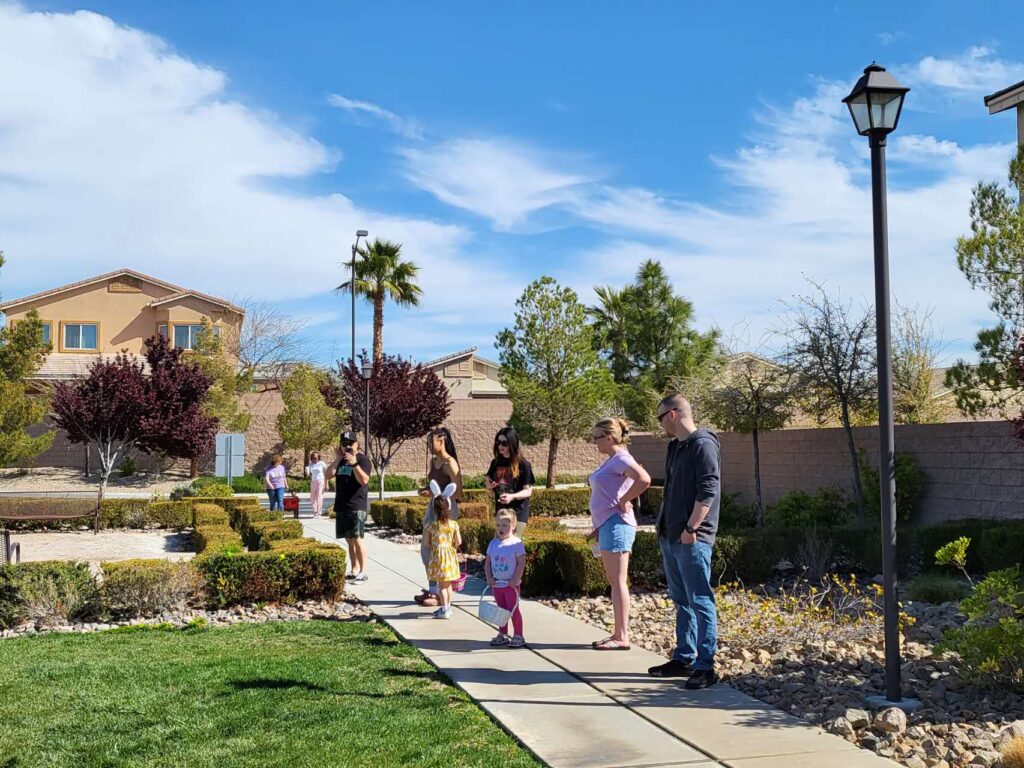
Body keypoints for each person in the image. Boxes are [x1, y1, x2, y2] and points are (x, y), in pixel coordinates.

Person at [648, 394, 722, 689]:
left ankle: (706, 666)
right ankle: (684, 657)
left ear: (674, 414)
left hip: (692, 538)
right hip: (670, 535)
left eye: (660, 417)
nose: (660, 424)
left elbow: (708, 488)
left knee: (700, 600)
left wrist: (692, 527)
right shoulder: (674, 448)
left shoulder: (702, 444)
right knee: (682, 601)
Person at [587, 418, 651, 651]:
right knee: (614, 581)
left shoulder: (621, 458)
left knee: (618, 581)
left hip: (618, 524)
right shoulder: (612, 461)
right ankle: (617, 632)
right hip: (608, 524)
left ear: (609, 437)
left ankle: (622, 636)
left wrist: (625, 500)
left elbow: (643, 479)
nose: (594, 442)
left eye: (596, 437)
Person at [414, 427, 463, 606]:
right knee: (426, 549)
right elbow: (432, 484)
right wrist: (427, 491)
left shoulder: (451, 463)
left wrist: (446, 506)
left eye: (430, 442)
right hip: (432, 508)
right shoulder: (434, 462)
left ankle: (439, 592)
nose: (428, 446)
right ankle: (433, 588)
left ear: (441, 440)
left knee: (441, 551)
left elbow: (458, 492)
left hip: (446, 511)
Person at [326, 432, 372, 583]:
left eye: (350, 443)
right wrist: (339, 458)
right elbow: (328, 475)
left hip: (356, 505)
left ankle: (364, 571)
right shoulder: (341, 460)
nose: (347, 446)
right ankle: (354, 569)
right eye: (344, 443)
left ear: (357, 444)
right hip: (342, 504)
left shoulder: (362, 459)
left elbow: (364, 480)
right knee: (349, 540)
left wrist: (354, 464)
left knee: (357, 538)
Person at [485, 509, 527, 648]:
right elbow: (488, 562)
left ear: (513, 525)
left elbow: (521, 562)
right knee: (501, 611)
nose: (501, 529)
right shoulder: (493, 543)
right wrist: (489, 578)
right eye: (498, 525)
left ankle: (518, 635)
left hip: (511, 585)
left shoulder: (516, 543)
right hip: (498, 584)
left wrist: (516, 579)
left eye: (504, 525)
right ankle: (502, 633)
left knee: (513, 609)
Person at [485, 427, 535, 537]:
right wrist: (489, 485)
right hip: (501, 512)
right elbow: (488, 481)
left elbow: (528, 491)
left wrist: (512, 496)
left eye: (504, 443)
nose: (500, 446)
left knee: (512, 545)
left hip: (517, 513)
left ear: (512, 444)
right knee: (498, 544)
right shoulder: (495, 462)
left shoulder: (524, 464)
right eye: (498, 442)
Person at [423, 480, 462, 620]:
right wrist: (451, 546)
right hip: (450, 556)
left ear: (434, 509)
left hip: (438, 557)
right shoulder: (453, 524)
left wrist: (437, 546)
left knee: (442, 587)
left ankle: (444, 610)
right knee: (448, 585)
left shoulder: (431, 525)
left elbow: (426, 543)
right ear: (449, 508)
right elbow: (459, 542)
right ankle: (448, 608)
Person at [305, 452, 328, 518]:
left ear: (318, 458)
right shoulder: (311, 465)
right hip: (313, 481)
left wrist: (326, 484)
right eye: (313, 458)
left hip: (321, 481)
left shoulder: (321, 463)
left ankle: (319, 513)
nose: (314, 459)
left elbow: (326, 473)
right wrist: (306, 471)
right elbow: (308, 474)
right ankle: (315, 511)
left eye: (315, 458)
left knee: (319, 497)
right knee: (312, 497)